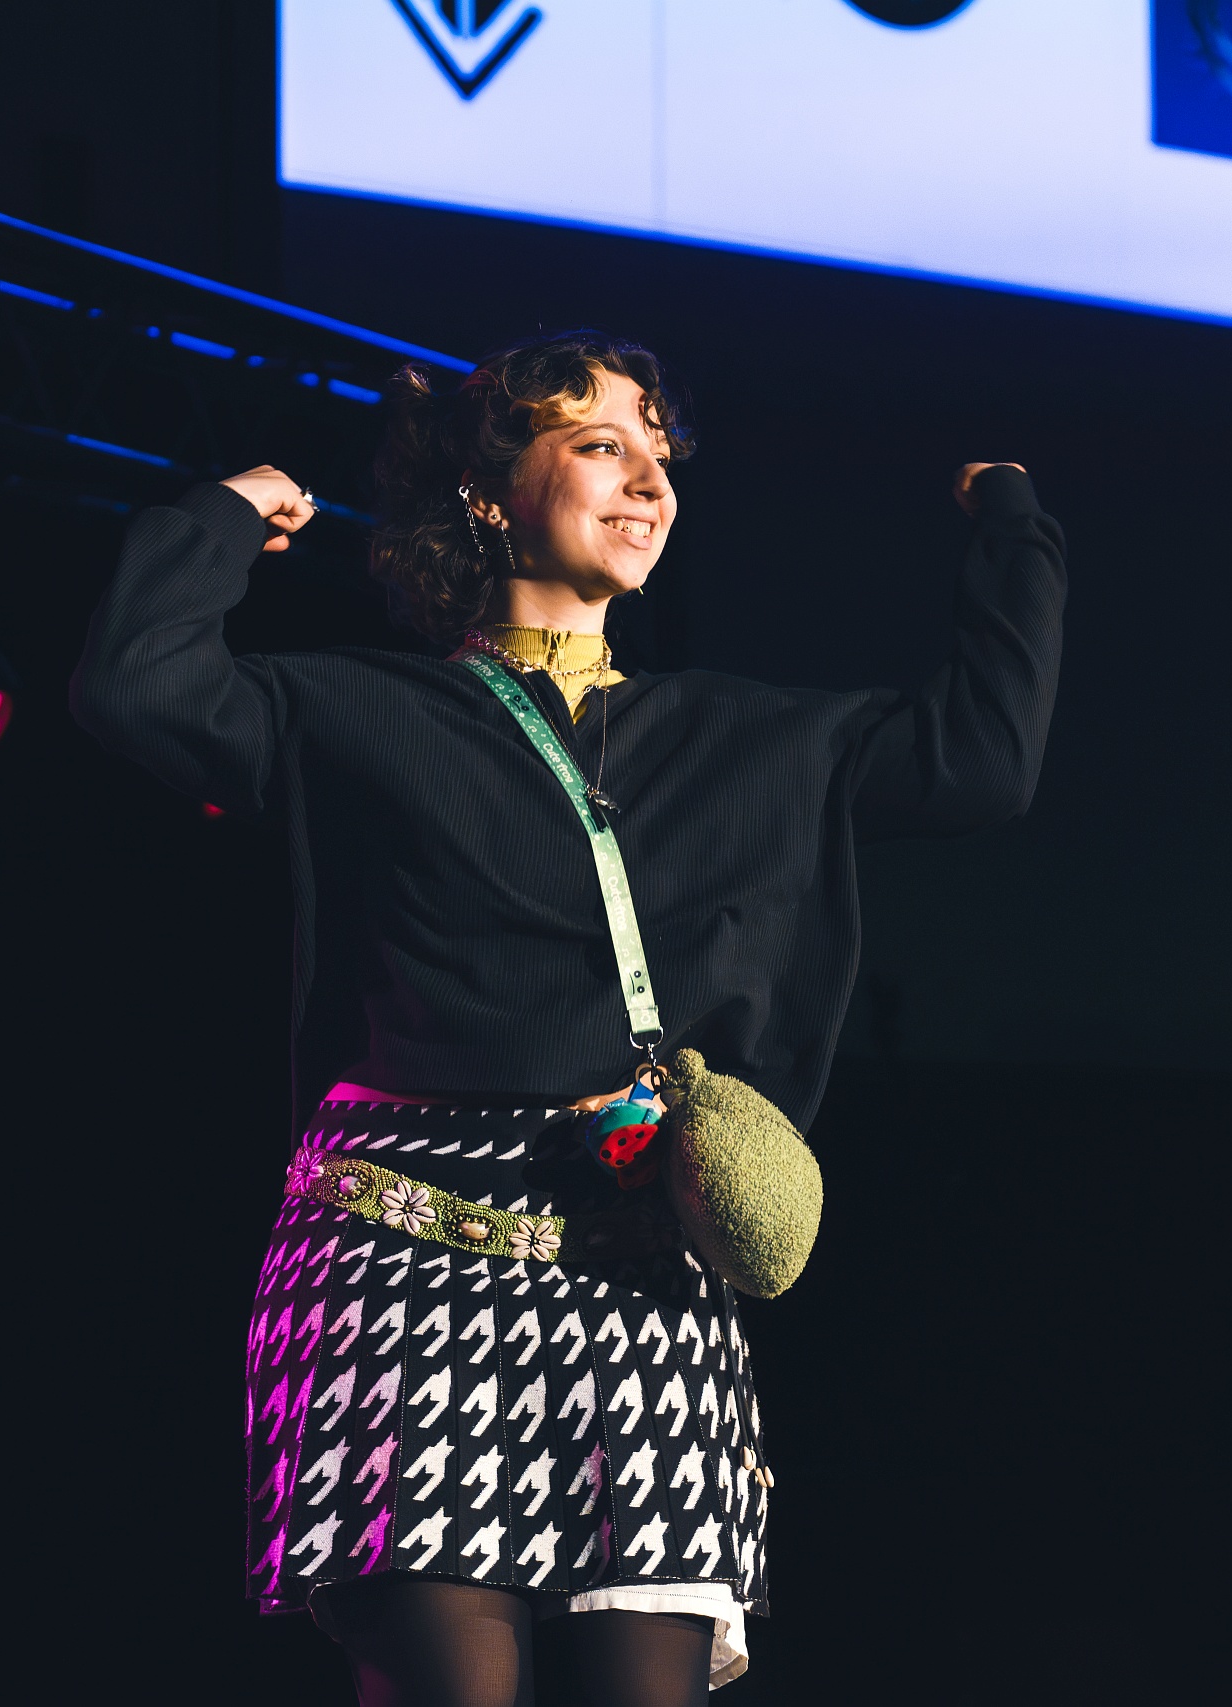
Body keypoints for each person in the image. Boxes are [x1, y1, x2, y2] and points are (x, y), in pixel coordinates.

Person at [73, 330, 1065, 1706]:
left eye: (661, 453)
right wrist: (223, 516)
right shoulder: (353, 706)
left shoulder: (750, 739)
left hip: (643, 1272)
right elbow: (134, 682)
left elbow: (984, 763)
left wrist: (1015, 524)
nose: (649, 480)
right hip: (405, 1261)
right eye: (602, 444)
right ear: (489, 494)